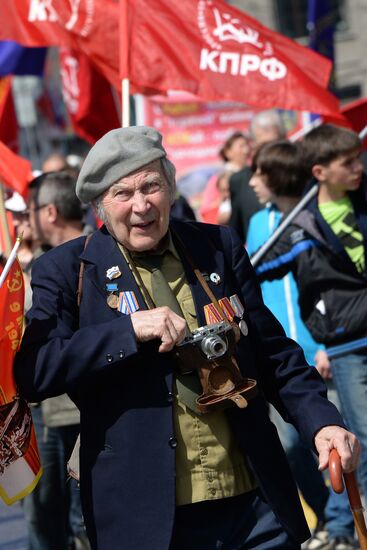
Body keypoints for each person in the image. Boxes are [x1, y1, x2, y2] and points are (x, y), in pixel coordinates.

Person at [14, 126, 360, 550]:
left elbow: (272, 354)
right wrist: (128, 331)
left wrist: (322, 422)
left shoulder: (216, 245)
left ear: (172, 188)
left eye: (151, 187)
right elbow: (35, 371)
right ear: (100, 206)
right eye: (123, 194)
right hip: (150, 519)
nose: (141, 205)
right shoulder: (67, 270)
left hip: (253, 505)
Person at [247, 140, 355, 550]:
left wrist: (325, 344)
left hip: (320, 349)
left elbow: (320, 288)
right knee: (292, 447)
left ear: (278, 176)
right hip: (282, 355)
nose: (253, 181)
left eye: (260, 174)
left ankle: (343, 523)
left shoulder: (310, 218)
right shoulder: (260, 221)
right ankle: (329, 516)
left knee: (339, 443)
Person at [22, 172, 90, 550]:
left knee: (79, 518)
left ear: (48, 212)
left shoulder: (102, 253)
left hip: (77, 412)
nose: (25, 221)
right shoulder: (41, 263)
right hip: (49, 411)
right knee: (45, 513)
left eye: (29, 212)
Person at [229, 109, 286, 241]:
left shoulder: (299, 176)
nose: (270, 151)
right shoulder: (239, 181)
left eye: (275, 144)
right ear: (253, 145)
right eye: (264, 145)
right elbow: (236, 234)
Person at [199, 131, 251, 224]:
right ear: (228, 152)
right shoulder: (218, 178)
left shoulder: (251, 174)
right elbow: (206, 211)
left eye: (247, 145)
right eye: (241, 146)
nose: (246, 150)